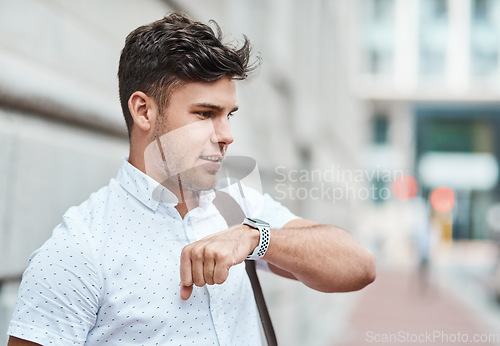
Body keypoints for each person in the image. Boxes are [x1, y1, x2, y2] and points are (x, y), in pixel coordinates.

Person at [7, 13, 376, 345]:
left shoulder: (237, 207)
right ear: (143, 110)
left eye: (229, 114)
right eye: (205, 113)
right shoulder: (80, 248)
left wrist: (254, 238)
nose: (227, 134)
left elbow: (358, 266)